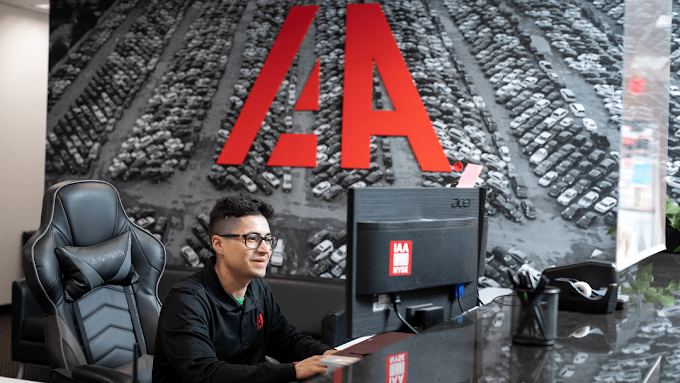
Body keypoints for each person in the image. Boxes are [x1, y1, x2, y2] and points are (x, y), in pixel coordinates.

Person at [153, 194, 336, 383]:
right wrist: (294, 370)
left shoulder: (258, 289)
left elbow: (286, 340)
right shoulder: (187, 300)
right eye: (253, 238)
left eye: (267, 239)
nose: (265, 249)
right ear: (218, 244)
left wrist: (332, 356)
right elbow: (206, 374)